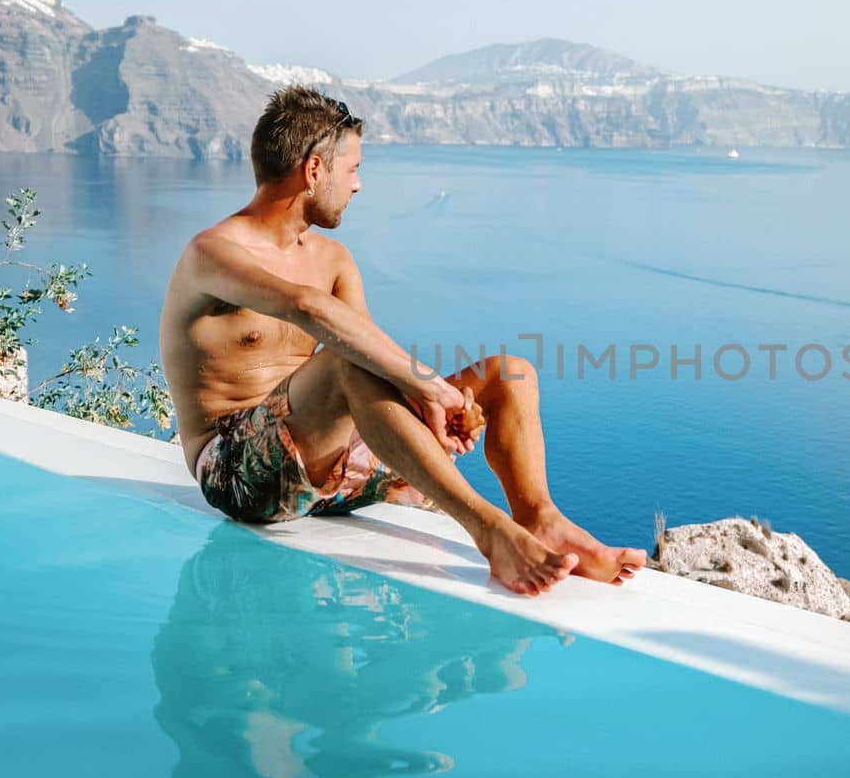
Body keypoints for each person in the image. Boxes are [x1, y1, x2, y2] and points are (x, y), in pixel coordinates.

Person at [159, 86, 644, 595]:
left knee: (510, 372)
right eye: (353, 169)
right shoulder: (212, 253)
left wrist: (430, 405)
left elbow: (370, 352)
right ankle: (490, 532)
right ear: (314, 170)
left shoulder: (333, 259)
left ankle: (539, 517)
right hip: (239, 473)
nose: (359, 185)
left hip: (334, 466)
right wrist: (433, 388)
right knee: (342, 363)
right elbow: (308, 309)